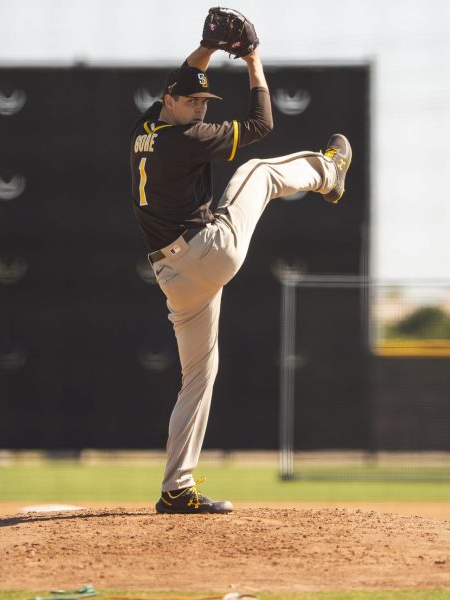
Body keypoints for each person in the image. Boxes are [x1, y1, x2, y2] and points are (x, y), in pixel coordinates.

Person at [129, 40, 352, 514]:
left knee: (198, 375)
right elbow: (261, 125)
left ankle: (176, 487)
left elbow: (184, 75)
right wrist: (252, 61)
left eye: (202, 102)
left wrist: (206, 48)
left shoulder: (144, 130)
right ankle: (328, 173)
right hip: (210, 252)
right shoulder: (187, 138)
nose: (197, 109)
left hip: (173, 274)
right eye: (191, 101)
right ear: (169, 99)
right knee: (257, 170)